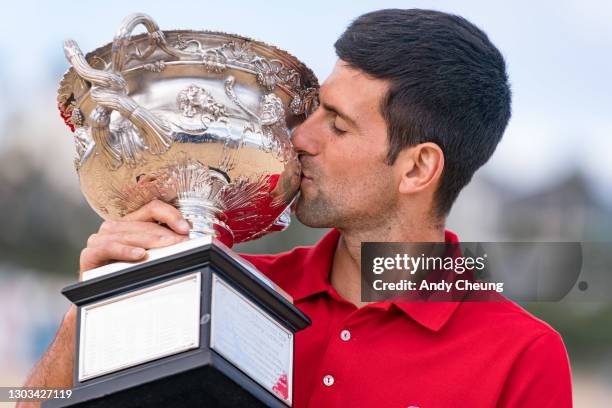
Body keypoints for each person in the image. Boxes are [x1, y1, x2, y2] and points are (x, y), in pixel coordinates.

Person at [21, 9, 572, 407]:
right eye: (310, 112)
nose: (298, 136)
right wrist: (91, 314)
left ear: (417, 168)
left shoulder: (521, 356)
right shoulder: (224, 287)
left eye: (337, 125)